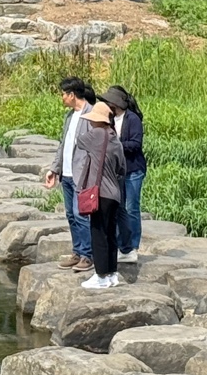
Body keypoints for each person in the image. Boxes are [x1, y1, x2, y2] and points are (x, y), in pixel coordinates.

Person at [43, 77, 96, 273]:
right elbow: (63, 145)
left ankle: (87, 255)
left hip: (82, 174)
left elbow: (96, 148)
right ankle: (77, 251)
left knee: (81, 214)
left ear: (72, 95)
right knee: (70, 215)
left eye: (64, 94)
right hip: (66, 174)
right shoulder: (69, 116)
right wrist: (54, 169)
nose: (62, 98)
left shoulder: (92, 114)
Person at [73, 101, 126, 289]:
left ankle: (101, 275)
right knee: (111, 234)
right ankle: (112, 273)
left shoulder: (96, 135)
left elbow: (79, 142)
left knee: (98, 234)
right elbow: (122, 168)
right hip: (114, 194)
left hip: (100, 194)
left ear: (97, 120)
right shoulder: (115, 139)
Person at [101, 86, 146, 264]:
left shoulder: (132, 119)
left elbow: (136, 144)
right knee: (119, 209)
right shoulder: (110, 119)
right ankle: (122, 245)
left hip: (133, 170)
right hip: (117, 171)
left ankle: (133, 247)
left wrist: (115, 144)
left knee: (132, 208)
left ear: (116, 103)